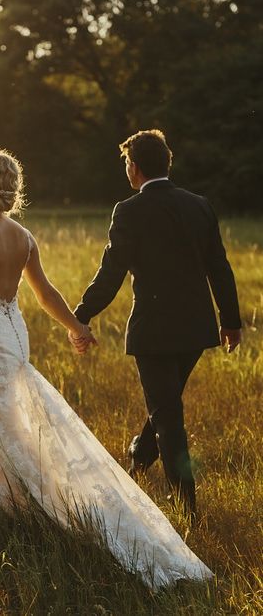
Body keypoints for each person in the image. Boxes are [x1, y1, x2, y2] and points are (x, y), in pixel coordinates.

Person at [0, 147, 213, 590]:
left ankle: (45, 505)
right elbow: (45, 293)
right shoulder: (24, 237)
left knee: (10, 425)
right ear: (11, 188)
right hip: (13, 337)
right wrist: (77, 326)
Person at [72, 129, 242, 520]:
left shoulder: (128, 211)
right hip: (197, 330)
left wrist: (80, 315)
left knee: (169, 417)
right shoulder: (200, 205)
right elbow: (220, 266)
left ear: (133, 168)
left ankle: (188, 512)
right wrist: (230, 322)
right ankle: (140, 456)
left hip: (153, 333)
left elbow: (110, 274)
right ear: (168, 163)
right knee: (166, 406)